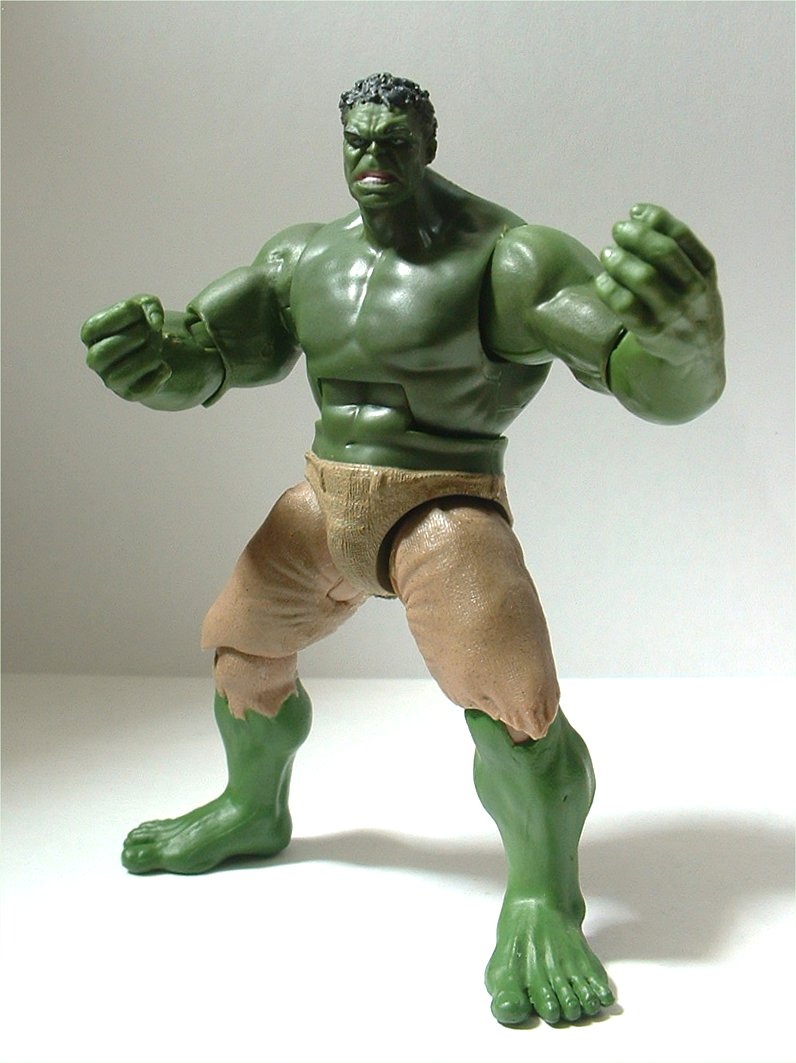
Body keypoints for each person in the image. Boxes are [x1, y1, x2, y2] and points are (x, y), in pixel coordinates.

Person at [81, 73, 725, 1026]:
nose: (373, 157)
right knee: (240, 644)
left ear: (429, 142)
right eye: (359, 140)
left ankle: (544, 897)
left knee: (516, 711)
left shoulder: (506, 259)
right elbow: (212, 353)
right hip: (323, 502)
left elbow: (638, 374)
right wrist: (155, 364)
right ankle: (253, 808)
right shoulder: (305, 256)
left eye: (394, 140)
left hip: (442, 511)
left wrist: (687, 349)